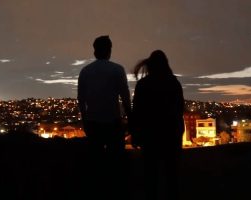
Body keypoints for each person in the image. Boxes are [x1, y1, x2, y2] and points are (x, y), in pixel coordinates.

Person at [77, 35, 131, 199]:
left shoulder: (85, 71)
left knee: (96, 165)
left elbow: (81, 99)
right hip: (113, 123)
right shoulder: (117, 70)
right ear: (109, 50)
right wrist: (130, 119)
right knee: (116, 166)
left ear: (94, 51)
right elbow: (125, 97)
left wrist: (85, 120)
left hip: (93, 123)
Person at [129, 50, 185, 200]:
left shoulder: (142, 85)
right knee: (172, 177)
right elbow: (180, 109)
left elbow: (137, 112)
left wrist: (135, 135)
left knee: (150, 177)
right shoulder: (174, 83)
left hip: (150, 137)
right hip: (171, 135)